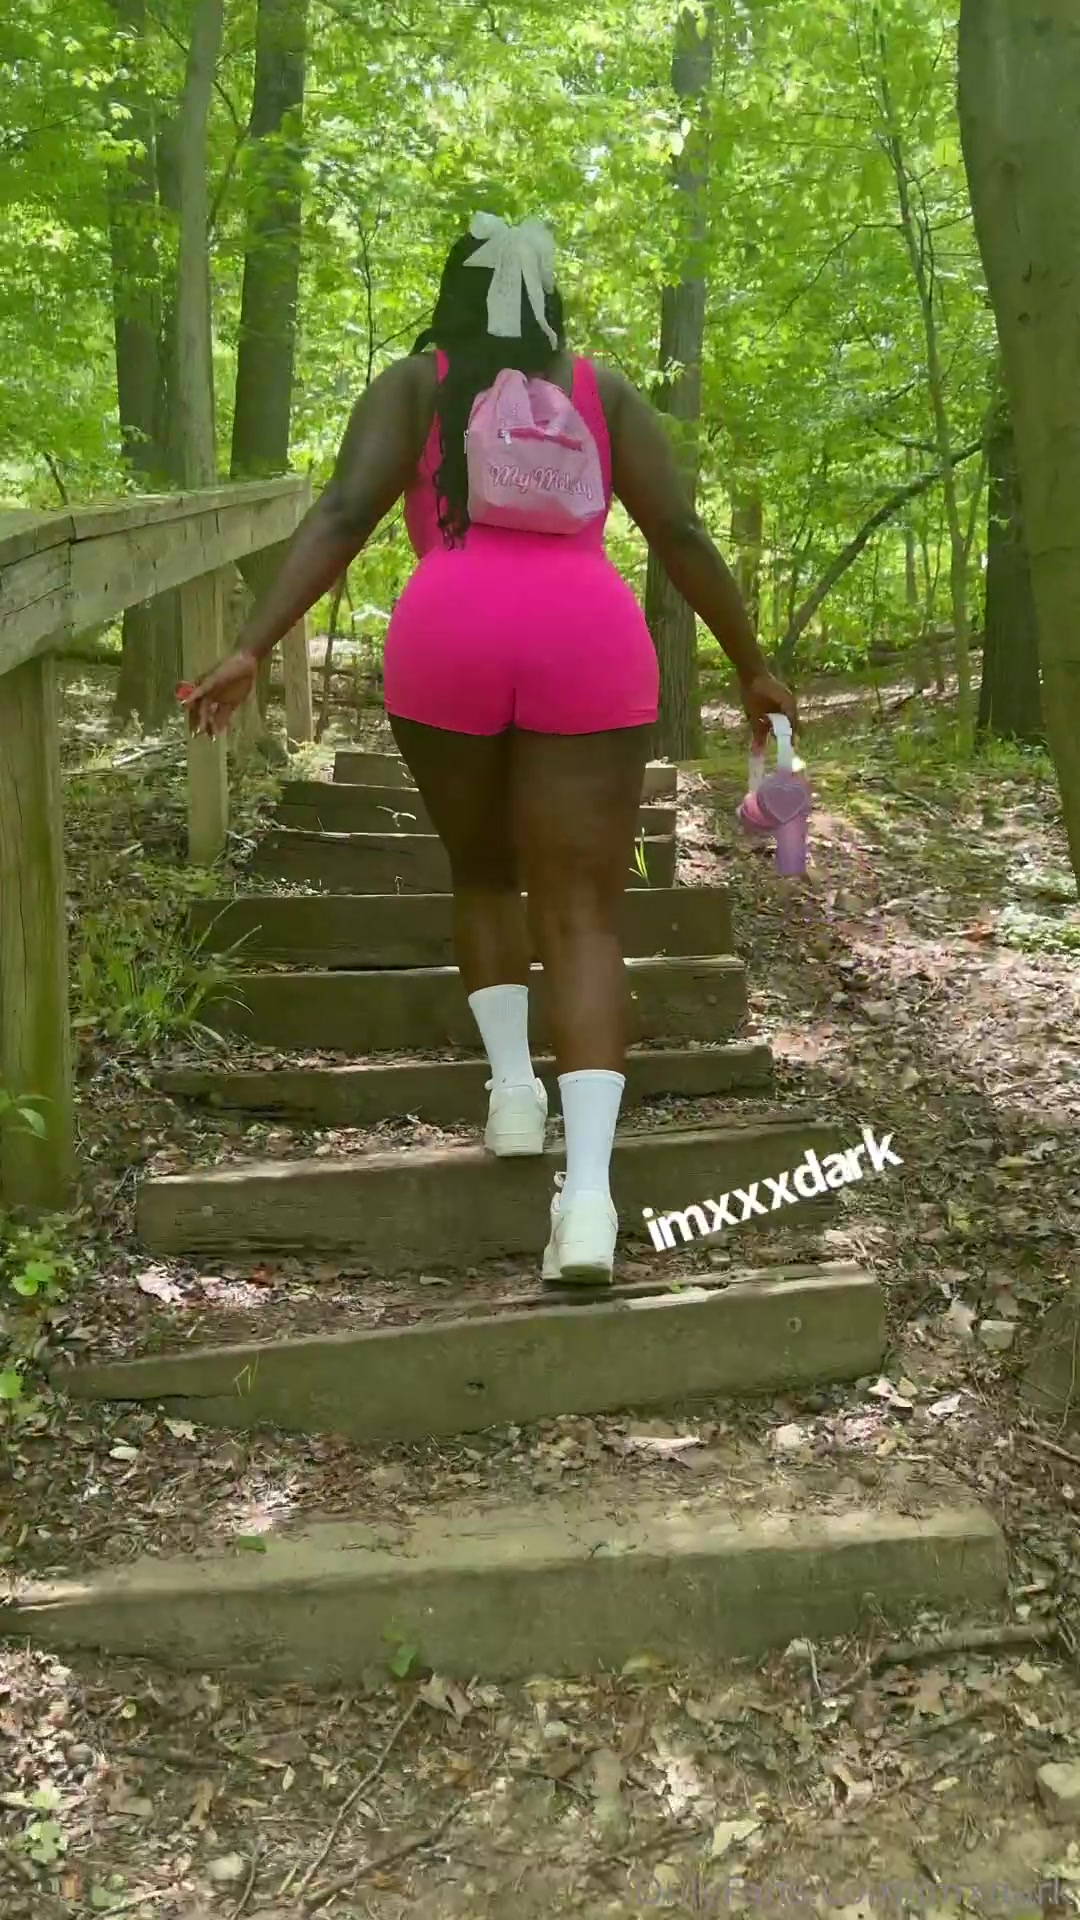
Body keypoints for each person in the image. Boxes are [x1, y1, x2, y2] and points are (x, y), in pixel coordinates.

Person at [183, 212, 797, 1286]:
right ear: (546, 299)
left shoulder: (416, 385)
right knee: (585, 916)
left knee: (481, 872)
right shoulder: (602, 392)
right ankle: (590, 1203)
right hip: (588, 641)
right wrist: (752, 666)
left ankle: (514, 1093)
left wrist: (251, 646)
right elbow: (680, 535)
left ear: (453, 294)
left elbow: (342, 514)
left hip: (448, 637)